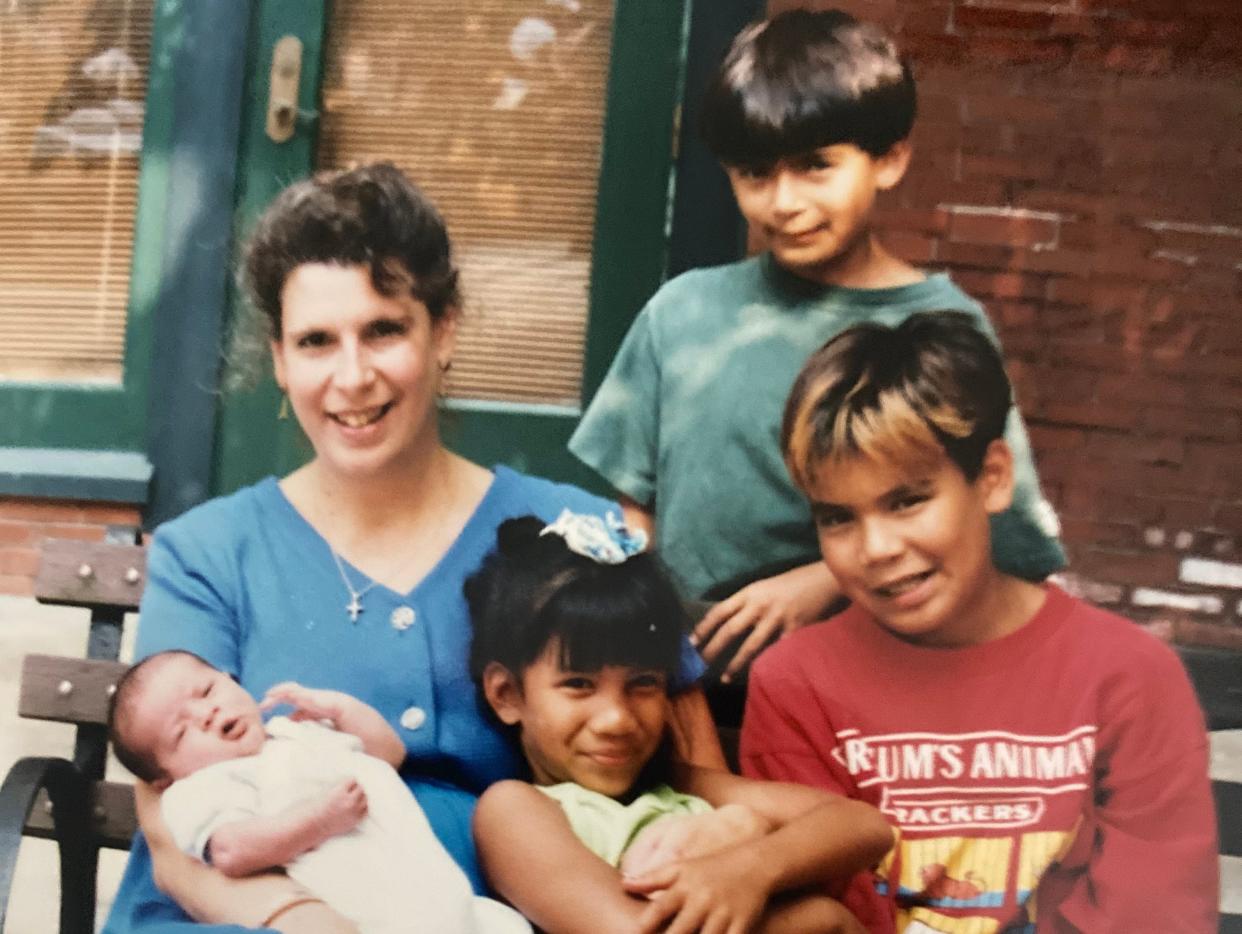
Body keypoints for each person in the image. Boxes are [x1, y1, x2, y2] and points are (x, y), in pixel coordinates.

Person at [104, 162, 716, 933]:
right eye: (317, 341)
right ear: (282, 359)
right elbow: (173, 833)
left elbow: (698, 784)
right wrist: (301, 918)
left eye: (384, 330)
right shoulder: (211, 552)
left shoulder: (570, 533)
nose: (352, 377)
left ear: (444, 330)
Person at [568, 8, 1065, 682]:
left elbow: (994, 526)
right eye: (755, 174)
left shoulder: (943, 324)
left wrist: (823, 582)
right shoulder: (682, 313)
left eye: (814, 167)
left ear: (888, 159)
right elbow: (635, 504)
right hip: (690, 675)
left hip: (869, 680)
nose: (784, 202)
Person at [741, 311, 1218, 932]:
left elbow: (1157, 916)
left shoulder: (1127, 675)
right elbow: (819, 919)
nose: (876, 547)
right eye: (838, 517)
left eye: (907, 500)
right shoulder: (796, 685)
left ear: (991, 479)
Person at [465, 513, 896, 934]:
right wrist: (822, 919)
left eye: (642, 683)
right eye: (578, 684)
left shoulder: (680, 784)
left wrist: (749, 870)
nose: (617, 719)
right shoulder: (516, 809)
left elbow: (863, 826)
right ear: (506, 694)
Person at [107, 651, 529, 933]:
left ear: (230, 679)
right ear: (164, 779)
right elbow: (231, 852)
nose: (207, 713)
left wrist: (342, 712)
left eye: (207, 691)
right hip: (370, 916)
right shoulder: (202, 789)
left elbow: (388, 754)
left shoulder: (296, 730)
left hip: (446, 894)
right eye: (181, 731)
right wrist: (318, 821)